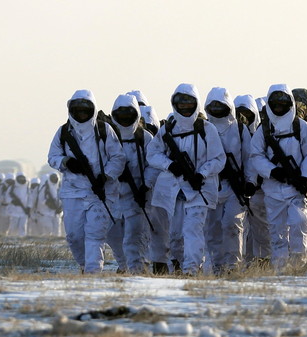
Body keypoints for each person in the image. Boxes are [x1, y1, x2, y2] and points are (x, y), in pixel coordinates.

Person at [146, 84, 224, 275]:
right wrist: (169, 165)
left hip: (199, 189)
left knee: (193, 229)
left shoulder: (207, 129)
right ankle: (178, 266)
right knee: (175, 233)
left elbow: (218, 159)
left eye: (189, 104)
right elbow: (152, 154)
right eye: (181, 104)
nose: (185, 108)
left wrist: (201, 174)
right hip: (174, 191)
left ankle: (191, 269)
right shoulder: (168, 129)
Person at [47, 90, 125, 273]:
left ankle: (93, 272)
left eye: (85, 110)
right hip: (72, 192)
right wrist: (66, 162)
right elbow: (52, 156)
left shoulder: (104, 130)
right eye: (78, 110)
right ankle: (84, 264)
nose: (81, 114)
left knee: (95, 234)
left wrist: (106, 176)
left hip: (99, 192)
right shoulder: (63, 132)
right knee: (74, 236)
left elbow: (118, 158)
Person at [248, 84, 307, 270]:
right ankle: (279, 268)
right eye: (275, 103)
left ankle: (298, 265)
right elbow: (256, 155)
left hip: (298, 189)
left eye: (282, 102)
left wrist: (305, 176)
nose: (279, 106)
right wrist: (272, 171)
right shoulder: (264, 130)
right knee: (277, 231)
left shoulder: (301, 127)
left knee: (299, 223)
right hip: (273, 189)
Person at [105, 93, 158, 273]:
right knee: (112, 235)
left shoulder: (145, 138)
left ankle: (136, 269)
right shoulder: (108, 137)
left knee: (133, 236)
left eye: (129, 113)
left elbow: (153, 165)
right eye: (121, 113)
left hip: (137, 196)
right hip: (112, 195)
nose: (125, 117)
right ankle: (123, 265)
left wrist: (146, 185)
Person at [204, 87, 252, 273]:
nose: (217, 109)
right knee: (212, 228)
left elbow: (249, 158)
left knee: (232, 224)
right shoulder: (204, 128)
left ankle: (233, 266)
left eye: (220, 105)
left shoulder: (239, 129)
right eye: (213, 106)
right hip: (211, 184)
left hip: (235, 186)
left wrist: (250, 182)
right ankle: (216, 267)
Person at [234, 94, 267, 265]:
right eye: (240, 113)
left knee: (262, 231)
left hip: (260, 192)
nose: (243, 117)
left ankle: (263, 263)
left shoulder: (262, 134)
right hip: (236, 191)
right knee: (240, 230)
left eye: (247, 113)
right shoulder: (233, 134)